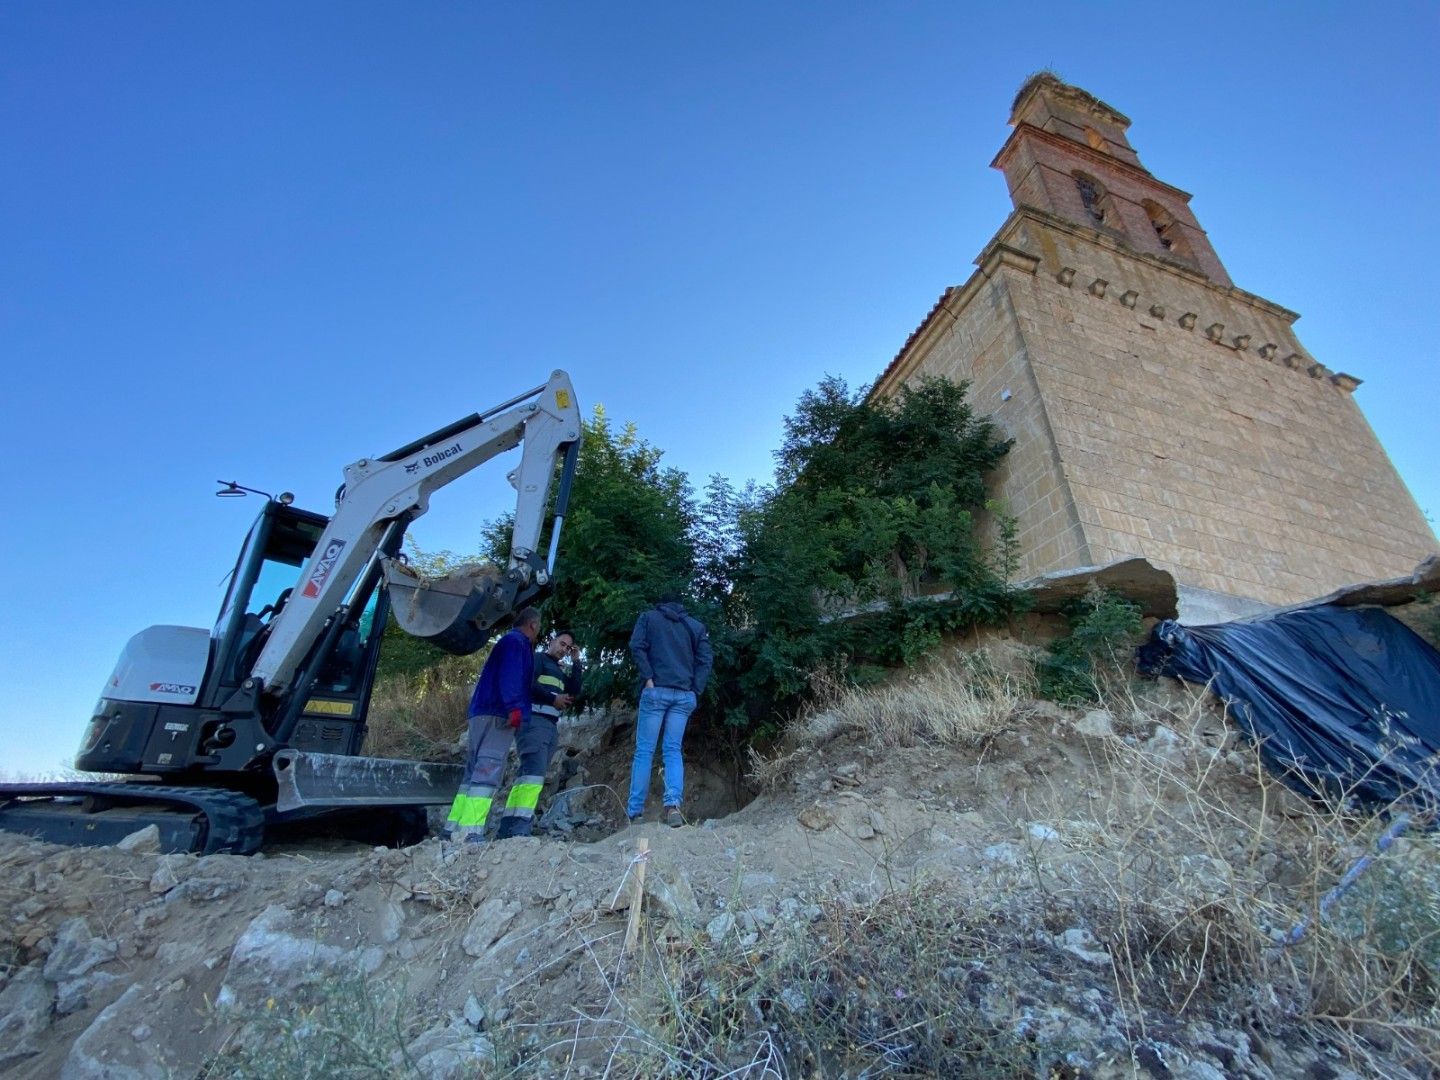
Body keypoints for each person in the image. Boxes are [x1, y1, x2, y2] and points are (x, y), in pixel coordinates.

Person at [443, 606, 541, 843]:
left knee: (473, 772)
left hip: (481, 713)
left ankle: (452, 828)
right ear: (533, 625)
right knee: (488, 770)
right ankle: (470, 831)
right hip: (499, 714)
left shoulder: (506, 641)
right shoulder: (517, 643)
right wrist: (515, 708)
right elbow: (511, 676)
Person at [627, 590, 713, 827]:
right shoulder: (694, 626)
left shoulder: (648, 618)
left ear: (660, 604)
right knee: (673, 750)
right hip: (683, 695)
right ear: (680, 605)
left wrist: (648, 678)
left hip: (656, 691)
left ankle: (636, 813)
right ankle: (673, 808)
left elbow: (636, 645)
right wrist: (695, 690)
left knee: (644, 751)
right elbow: (706, 660)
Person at [495, 628, 584, 839]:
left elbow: (575, 689)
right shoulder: (537, 659)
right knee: (533, 775)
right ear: (552, 641)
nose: (564, 649)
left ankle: (508, 829)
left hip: (549, 725)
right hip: (534, 722)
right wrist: (553, 699)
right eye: (562, 644)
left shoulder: (558, 670)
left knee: (528, 776)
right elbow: (527, 684)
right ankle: (519, 830)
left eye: (568, 647)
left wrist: (577, 661)